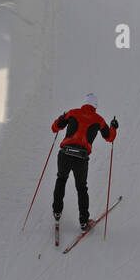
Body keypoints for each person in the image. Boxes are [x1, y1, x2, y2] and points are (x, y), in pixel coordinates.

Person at [51, 94, 118, 231]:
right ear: (95, 106)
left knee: (61, 179)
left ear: (84, 103)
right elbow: (110, 138)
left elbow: (55, 128)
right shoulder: (99, 120)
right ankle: (84, 222)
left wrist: (61, 118)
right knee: (81, 189)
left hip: (65, 153)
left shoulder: (72, 112)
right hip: (81, 158)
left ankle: (57, 212)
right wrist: (113, 127)